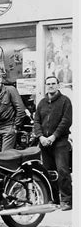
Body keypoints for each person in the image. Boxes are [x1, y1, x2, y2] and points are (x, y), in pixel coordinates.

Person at [33, 76, 72, 211]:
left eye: (53, 84)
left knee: (62, 171)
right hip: (44, 142)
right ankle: (53, 199)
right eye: (48, 84)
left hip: (60, 142)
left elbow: (66, 121)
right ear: (45, 86)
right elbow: (36, 121)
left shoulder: (65, 101)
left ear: (58, 85)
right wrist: (40, 137)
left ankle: (66, 200)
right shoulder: (42, 103)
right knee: (48, 172)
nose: (50, 86)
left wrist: (54, 136)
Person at [0, 71, 26, 152]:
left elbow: (21, 110)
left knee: (6, 156)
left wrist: (15, 126)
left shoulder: (10, 90)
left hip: (8, 127)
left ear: (0, 80)